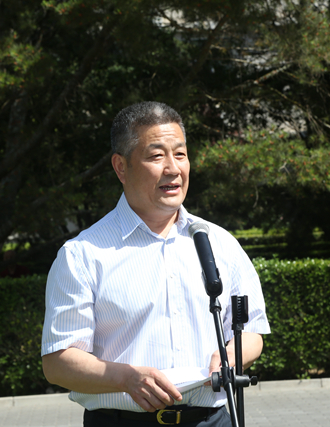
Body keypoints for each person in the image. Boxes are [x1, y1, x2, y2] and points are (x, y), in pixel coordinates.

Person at [41, 101, 270, 426]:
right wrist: (126, 378)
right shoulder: (82, 254)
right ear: (121, 167)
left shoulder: (219, 243)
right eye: (156, 156)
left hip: (212, 419)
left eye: (180, 154)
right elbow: (58, 362)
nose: (173, 168)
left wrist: (230, 357)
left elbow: (252, 331)